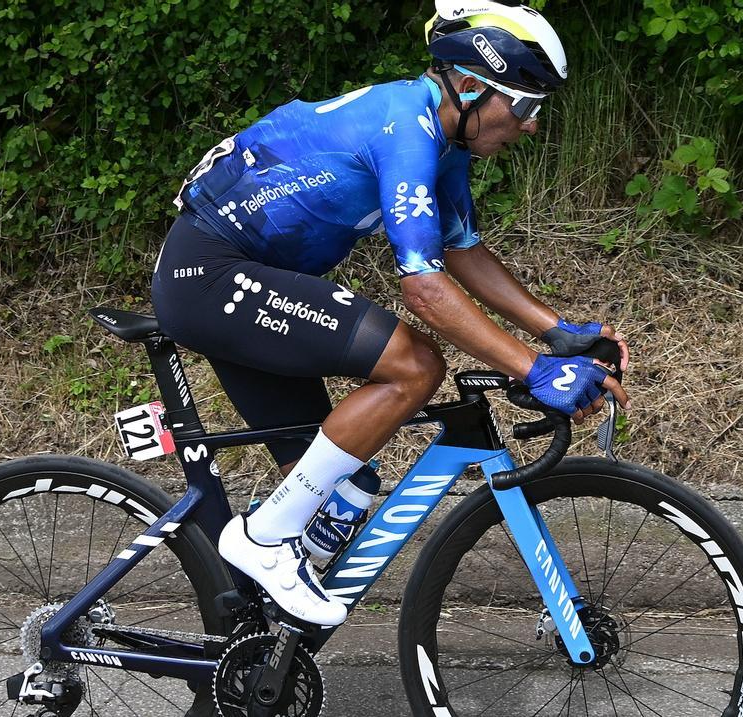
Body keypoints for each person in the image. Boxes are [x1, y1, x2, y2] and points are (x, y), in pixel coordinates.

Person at [150, 0, 630, 627]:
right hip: (210, 276)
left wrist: (556, 332)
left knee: (339, 488)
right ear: (471, 86)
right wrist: (535, 369)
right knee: (415, 365)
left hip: (243, 281)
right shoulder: (405, 128)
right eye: (523, 105)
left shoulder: (442, 140)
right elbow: (424, 290)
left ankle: (257, 641)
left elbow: (461, 251)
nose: (531, 125)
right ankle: (263, 541)